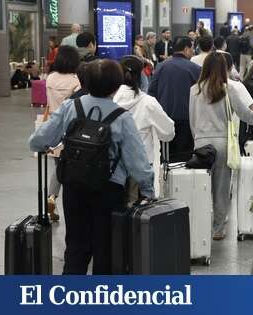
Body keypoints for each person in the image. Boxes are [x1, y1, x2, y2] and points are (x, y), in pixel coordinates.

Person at [29, 59, 154, 275]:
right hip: (109, 189)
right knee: (106, 248)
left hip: (74, 185)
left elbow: (39, 140)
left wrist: (46, 144)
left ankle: (71, 298)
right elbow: (138, 161)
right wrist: (148, 189)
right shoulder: (122, 117)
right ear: (116, 86)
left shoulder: (71, 106)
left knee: (76, 245)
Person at [189, 52, 253, 240]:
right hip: (223, 144)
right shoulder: (228, 89)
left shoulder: (194, 89)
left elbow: (192, 118)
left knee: (200, 186)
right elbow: (243, 113)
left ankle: (198, 225)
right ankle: (218, 229)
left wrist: (197, 139)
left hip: (201, 144)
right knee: (221, 188)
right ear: (224, 68)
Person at [113, 56, 175, 203]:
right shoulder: (148, 102)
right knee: (139, 215)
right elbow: (168, 132)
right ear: (141, 76)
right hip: (141, 165)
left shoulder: (110, 100)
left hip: (113, 165)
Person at [44, 46, 82, 221]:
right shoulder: (75, 80)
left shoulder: (50, 78)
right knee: (71, 166)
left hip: (53, 124)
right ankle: (63, 199)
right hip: (71, 127)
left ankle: (52, 196)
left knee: (58, 164)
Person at [148, 36, 201, 162]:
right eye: (192, 48)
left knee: (166, 157)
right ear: (187, 49)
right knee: (184, 158)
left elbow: (151, 92)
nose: (193, 51)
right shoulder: (195, 69)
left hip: (163, 118)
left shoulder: (161, 66)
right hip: (187, 118)